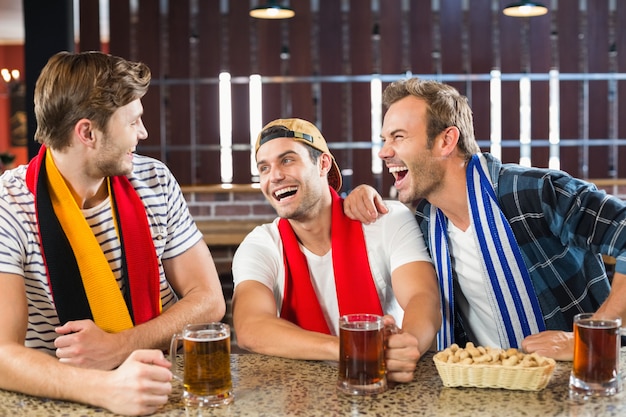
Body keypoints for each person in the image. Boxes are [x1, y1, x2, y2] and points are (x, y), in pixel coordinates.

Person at [0, 51, 226, 415]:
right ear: (87, 132)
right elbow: (2, 354)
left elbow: (210, 300)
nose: (143, 133)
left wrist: (120, 347)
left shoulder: (155, 180)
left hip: (168, 383)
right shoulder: (8, 204)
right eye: (133, 121)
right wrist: (106, 387)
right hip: (65, 396)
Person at [343, 77, 626, 361]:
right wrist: (361, 194)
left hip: (575, 382)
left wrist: (587, 338)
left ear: (446, 141)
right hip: (485, 388)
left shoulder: (536, 193)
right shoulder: (428, 223)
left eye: (398, 137)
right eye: (384, 139)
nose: (383, 151)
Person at [231, 118, 441, 383]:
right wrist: (353, 348)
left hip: (385, 383)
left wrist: (406, 345)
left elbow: (423, 297)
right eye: (264, 168)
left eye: (287, 160)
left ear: (323, 164)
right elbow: (251, 327)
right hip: (301, 396)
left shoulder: (386, 219)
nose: (274, 176)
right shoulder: (261, 244)